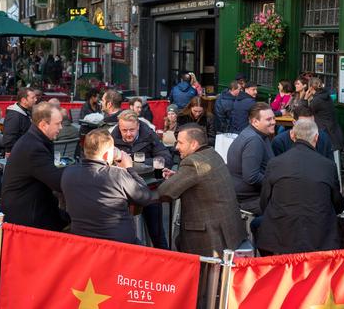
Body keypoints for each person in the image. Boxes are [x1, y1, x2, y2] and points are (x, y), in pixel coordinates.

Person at [154, 124, 246, 257]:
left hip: (210, 238)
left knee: (179, 244)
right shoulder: (212, 153)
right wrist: (178, 177)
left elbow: (163, 192)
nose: (176, 147)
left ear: (194, 144)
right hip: (229, 231)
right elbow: (202, 180)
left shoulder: (192, 162)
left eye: (180, 143)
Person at [258, 119, 344, 255]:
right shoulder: (328, 165)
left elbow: (264, 201)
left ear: (292, 136)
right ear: (316, 137)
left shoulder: (275, 163)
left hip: (280, 235)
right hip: (320, 236)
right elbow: (338, 203)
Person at [61, 129, 153, 244]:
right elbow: (145, 197)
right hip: (119, 245)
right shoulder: (117, 175)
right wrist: (129, 168)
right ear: (107, 154)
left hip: (82, 242)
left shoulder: (68, 173)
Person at [0, 102, 68, 231]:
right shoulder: (34, 147)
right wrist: (82, 171)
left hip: (30, 204)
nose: (61, 127)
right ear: (43, 125)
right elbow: (57, 182)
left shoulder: (34, 139)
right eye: (57, 123)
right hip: (26, 215)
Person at [111, 110, 173, 249]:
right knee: (123, 237)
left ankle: (165, 263)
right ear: (119, 127)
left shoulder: (149, 134)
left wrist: (139, 162)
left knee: (157, 235)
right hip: (124, 193)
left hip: (149, 189)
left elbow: (166, 158)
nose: (128, 134)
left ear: (138, 126)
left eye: (132, 130)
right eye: (124, 130)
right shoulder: (112, 138)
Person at [226, 102, 276, 214]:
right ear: (255, 122)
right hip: (250, 199)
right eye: (268, 119)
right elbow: (251, 177)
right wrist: (276, 182)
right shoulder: (254, 140)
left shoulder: (258, 134)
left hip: (249, 195)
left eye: (274, 118)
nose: (273, 122)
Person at [305, 77, 344, 150]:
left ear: (310, 87)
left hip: (325, 132)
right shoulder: (325, 96)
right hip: (333, 131)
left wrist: (305, 98)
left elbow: (305, 112)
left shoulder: (317, 100)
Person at [2, 87, 37, 154]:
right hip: (19, 154)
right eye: (33, 98)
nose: (35, 100)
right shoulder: (14, 116)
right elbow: (9, 140)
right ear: (24, 100)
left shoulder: (27, 111)